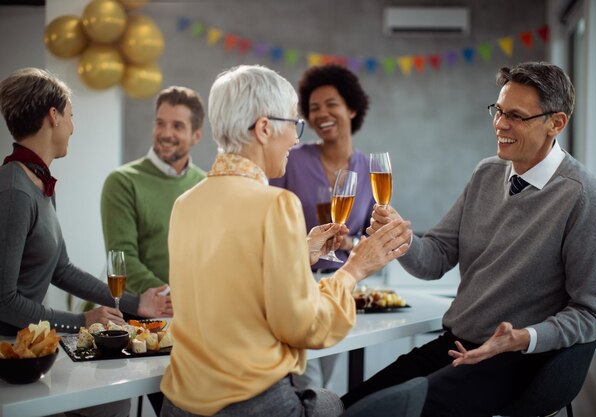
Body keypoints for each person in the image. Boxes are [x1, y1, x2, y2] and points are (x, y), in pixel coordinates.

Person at [341, 62, 596, 416]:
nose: (500, 124)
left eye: (516, 116)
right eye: (499, 111)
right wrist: (402, 239)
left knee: (388, 411)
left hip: (518, 362)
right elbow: (438, 256)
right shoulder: (487, 173)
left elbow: (591, 313)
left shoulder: (585, 199)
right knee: (351, 407)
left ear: (556, 123)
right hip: (456, 346)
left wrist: (524, 337)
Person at [160, 64, 412, 417]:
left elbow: (231, 280)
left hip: (179, 404)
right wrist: (354, 270)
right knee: (341, 403)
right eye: (293, 124)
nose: (296, 138)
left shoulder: (186, 202)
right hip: (251, 404)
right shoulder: (276, 203)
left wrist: (300, 251)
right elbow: (303, 326)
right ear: (264, 128)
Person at [0, 68, 171, 417]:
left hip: (31, 345)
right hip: (12, 357)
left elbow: (60, 268)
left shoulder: (37, 181)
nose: (73, 127)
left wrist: (135, 304)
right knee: (109, 403)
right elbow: (4, 302)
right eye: (71, 116)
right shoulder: (15, 191)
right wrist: (81, 322)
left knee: (113, 396)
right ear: (54, 116)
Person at [270, 64, 375, 390]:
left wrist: (346, 244)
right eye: (314, 108)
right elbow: (268, 216)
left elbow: (371, 237)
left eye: (331, 104)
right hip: (297, 282)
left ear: (352, 108)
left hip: (343, 288)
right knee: (308, 379)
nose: (322, 114)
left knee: (323, 376)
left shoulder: (370, 170)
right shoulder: (292, 159)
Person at [100, 86, 206, 295]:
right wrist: (170, 298)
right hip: (141, 316)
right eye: (160, 123)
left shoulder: (206, 185)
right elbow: (123, 259)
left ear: (196, 135)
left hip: (196, 310)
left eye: (177, 126)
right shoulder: (122, 181)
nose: (166, 134)